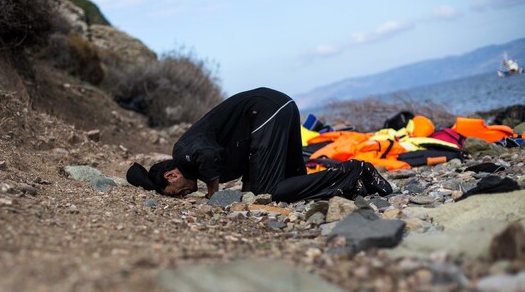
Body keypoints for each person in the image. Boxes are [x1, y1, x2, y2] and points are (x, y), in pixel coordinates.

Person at [126, 87, 392, 203]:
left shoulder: (183, 153)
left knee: (268, 191)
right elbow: (246, 158)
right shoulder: (191, 158)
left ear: (171, 175)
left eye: (176, 192)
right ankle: (357, 182)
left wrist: (213, 195)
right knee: (293, 182)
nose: (183, 194)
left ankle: (354, 170)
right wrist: (246, 193)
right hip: (281, 106)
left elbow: (210, 154)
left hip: (265, 112)